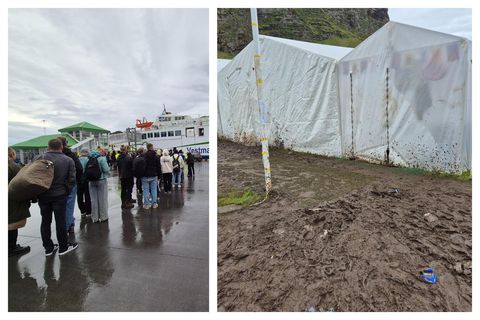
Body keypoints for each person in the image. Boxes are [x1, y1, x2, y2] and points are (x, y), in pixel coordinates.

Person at [37, 139, 78, 256]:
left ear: (48, 146)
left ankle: (48, 248)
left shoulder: (39, 158)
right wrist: (66, 191)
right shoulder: (68, 160)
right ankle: (63, 247)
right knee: (60, 221)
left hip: (43, 194)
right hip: (60, 195)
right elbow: (72, 179)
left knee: (45, 221)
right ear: (61, 147)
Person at [8, 147, 31, 256]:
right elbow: (23, 181)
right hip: (12, 200)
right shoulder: (12, 166)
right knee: (12, 224)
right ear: (11, 154)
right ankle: (11, 247)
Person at [57, 136, 83, 234]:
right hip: (70, 182)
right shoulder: (71, 155)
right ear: (65, 144)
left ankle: (68, 221)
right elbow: (79, 168)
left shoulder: (49, 156)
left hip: (56, 184)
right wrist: (78, 179)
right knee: (69, 204)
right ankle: (68, 225)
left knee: (60, 206)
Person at [88, 148, 110, 223]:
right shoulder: (101, 159)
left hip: (91, 181)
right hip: (101, 180)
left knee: (93, 200)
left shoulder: (89, 160)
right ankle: (103, 217)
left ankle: (95, 217)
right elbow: (106, 169)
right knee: (102, 199)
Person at [141, 143, 161, 209]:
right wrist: (159, 175)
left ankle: (147, 205)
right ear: (152, 147)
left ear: (147, 148)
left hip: (144, 175)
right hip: (153, 175)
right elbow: (159, 167)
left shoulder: (143, 155)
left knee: (146, 190)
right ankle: (154, 204)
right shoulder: (156, 156)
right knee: (154, 189)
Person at [77, 148, 92, 218]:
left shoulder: (77, 159)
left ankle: (82, 211)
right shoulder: (88, 160)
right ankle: (89, 212)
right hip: (86, 179)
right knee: (87, 195)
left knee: (79, 196)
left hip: (78, 180)